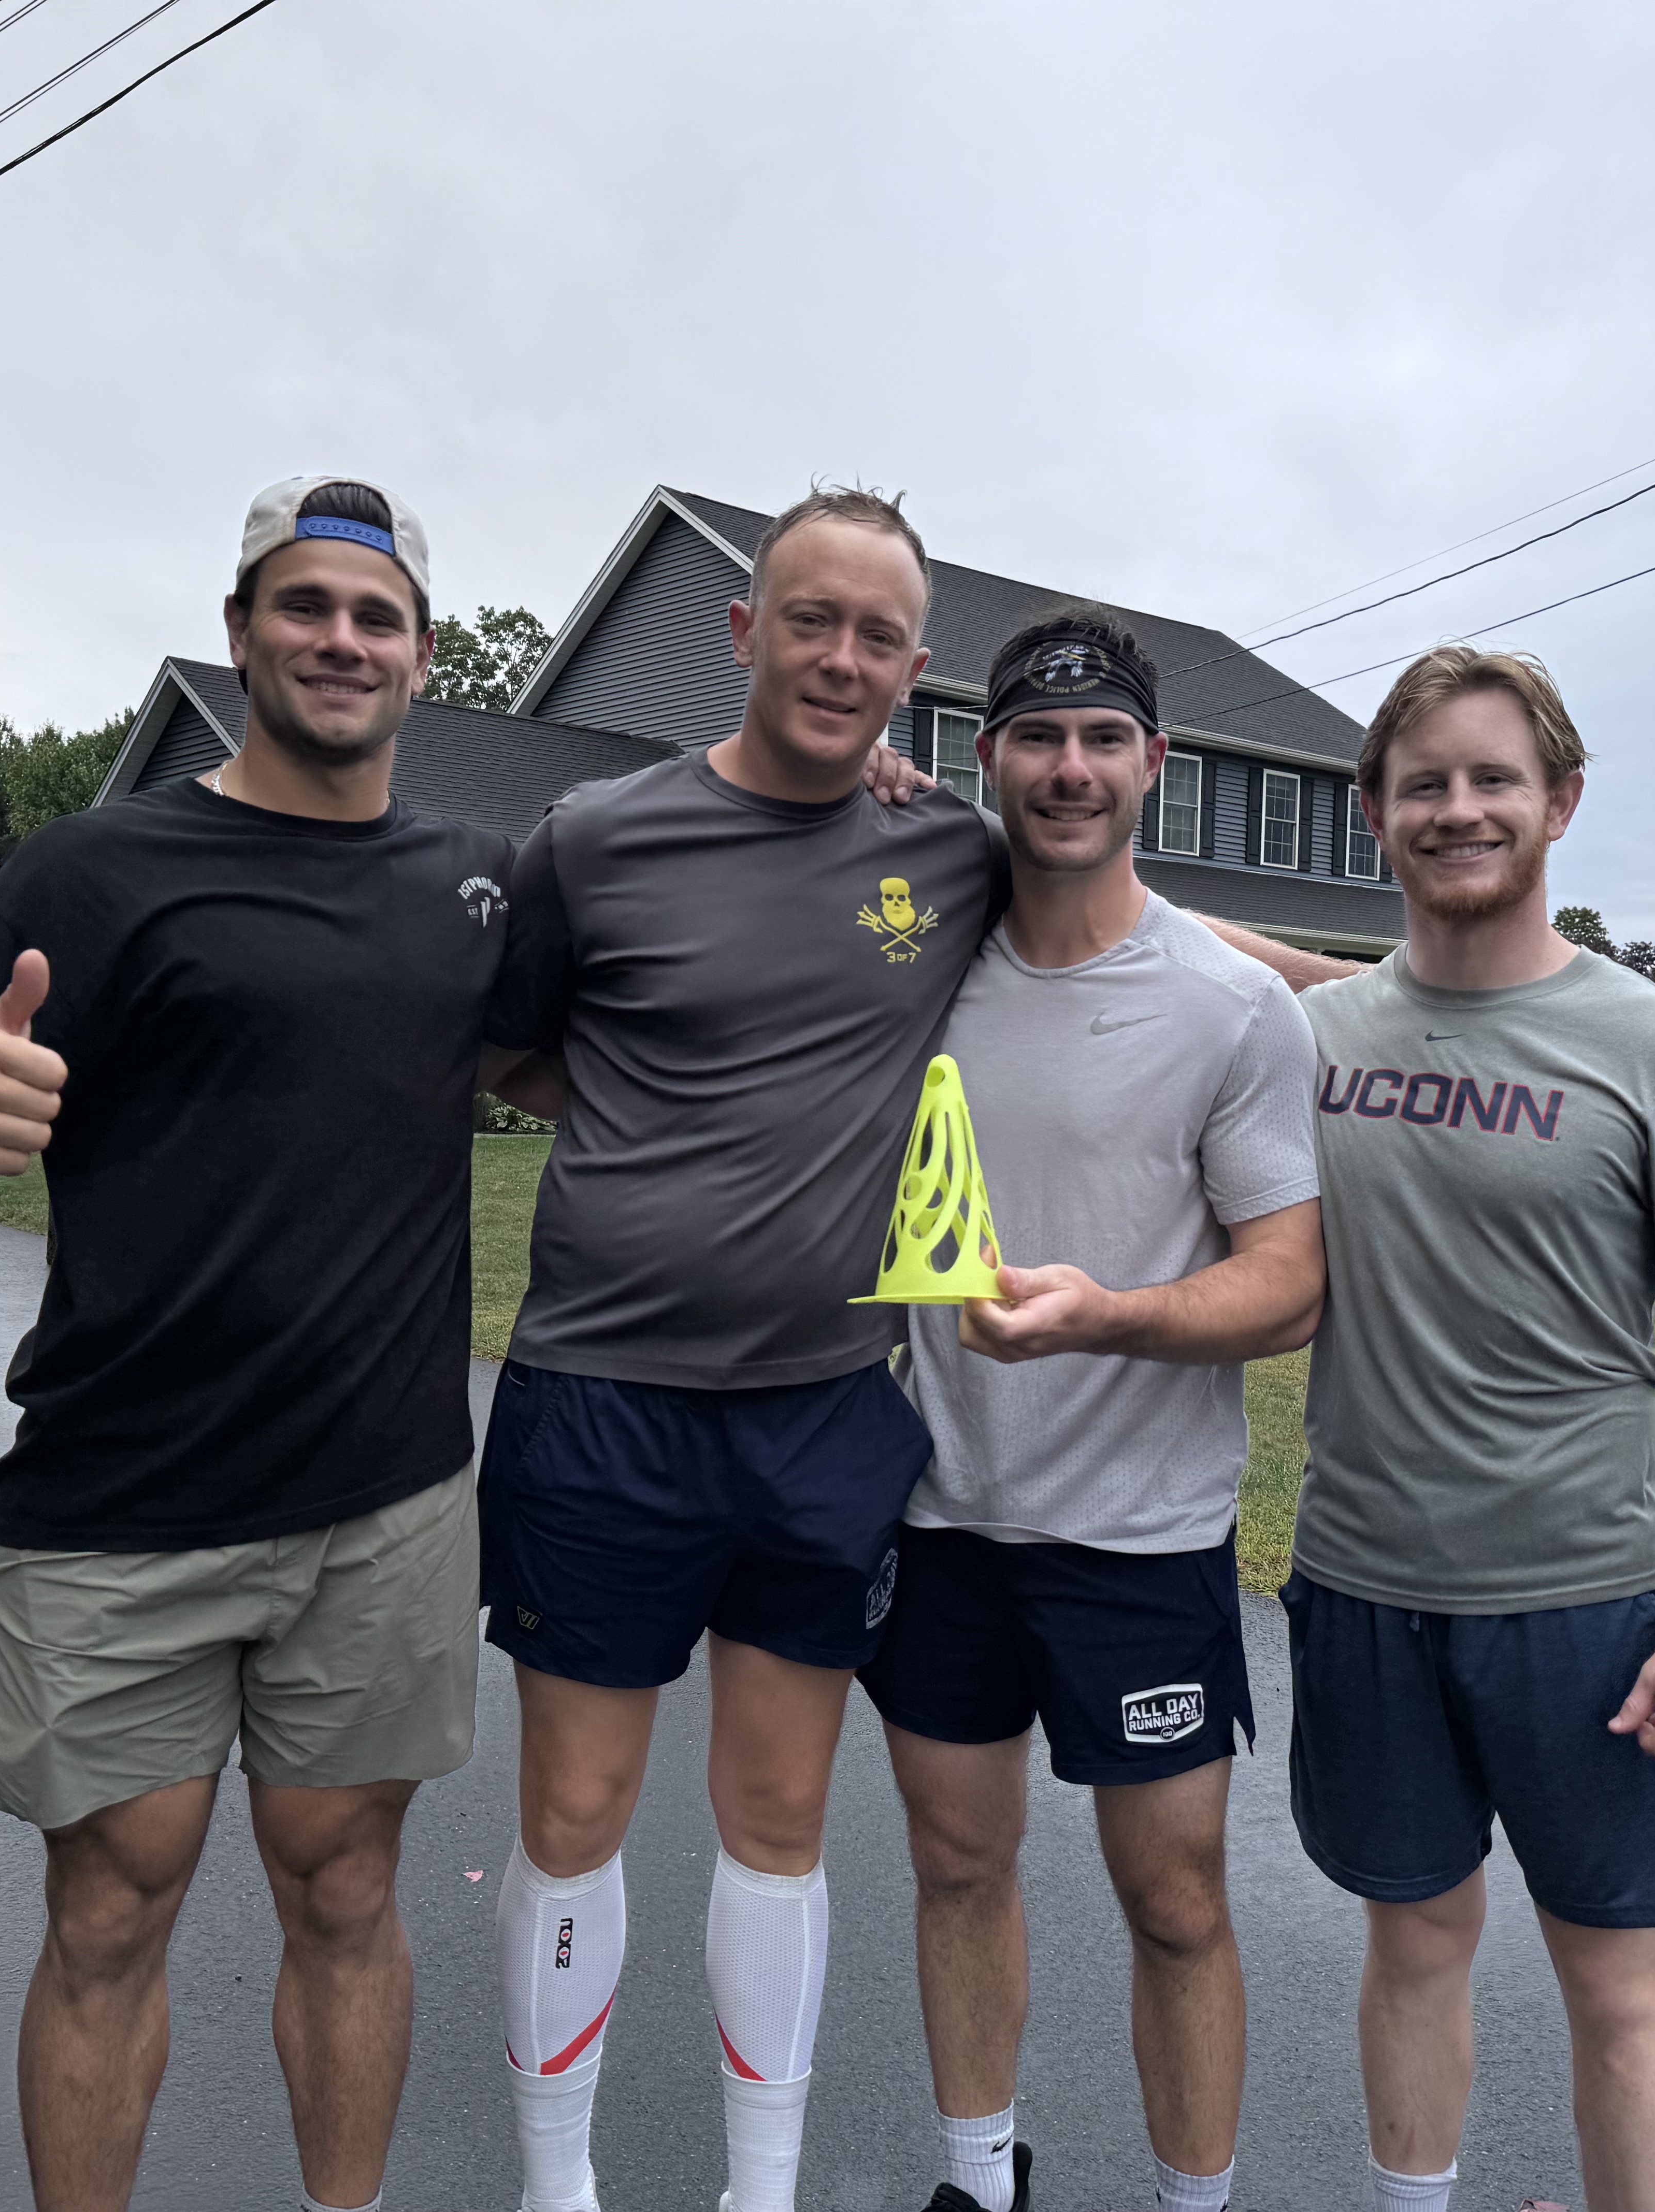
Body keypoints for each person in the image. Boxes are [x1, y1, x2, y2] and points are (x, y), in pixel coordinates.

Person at [0, 477, 520, 2212]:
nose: (341, 640)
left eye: (377, 617)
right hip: (118, 1503)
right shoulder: (96, 867)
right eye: (305, 606)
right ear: (240, 634)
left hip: (384, 1503)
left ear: (426, 659)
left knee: (350, 1891)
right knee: (110, 1910)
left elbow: (664, 1011)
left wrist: (864, 802)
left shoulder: (472, 892)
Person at [1204, 646, 1655, 2212]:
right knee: (1413, 1946)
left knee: (1616, 1985)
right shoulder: (1325, 1035)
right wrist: (950, 823)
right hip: (1364, 1586)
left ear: (1561, 802)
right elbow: (1168, 935)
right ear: (1376, 813)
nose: (1460, 809)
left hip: (1586, 1608)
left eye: (1493, 779)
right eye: (1427, 784)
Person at [476, 486, 1010, 2212]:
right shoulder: (594, 835)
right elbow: (513, 1053)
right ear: (743, 631)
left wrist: (1387, 992)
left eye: (877, 635)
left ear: (914, 671)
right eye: (810, 619)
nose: (840, 657)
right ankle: (562, 2188)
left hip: (824, 1417)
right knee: (576, 1815)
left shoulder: (955, 853)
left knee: (780, 1825)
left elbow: (1146, 937)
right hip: (602, 1406)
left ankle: (756, 2192)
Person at [852, 607, 1326, 2212]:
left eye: (1102, 740)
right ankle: (981, 2185)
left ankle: (1195, 2200)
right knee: (956, 1867)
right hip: (939, 1519)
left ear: (1155, 766)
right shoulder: (912, 959)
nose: (1069, 771)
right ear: (982, 757)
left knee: (1177, 1899)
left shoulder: (1228, 1004)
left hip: (1143, 1537)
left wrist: (1104, 1316)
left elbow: (1292, 1283)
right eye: (1038, 739)